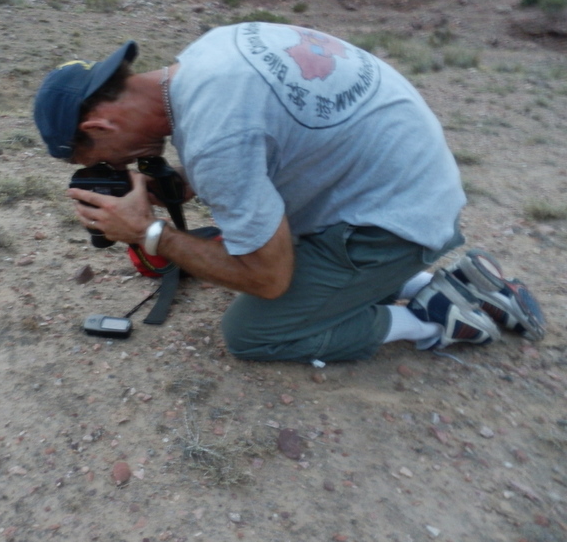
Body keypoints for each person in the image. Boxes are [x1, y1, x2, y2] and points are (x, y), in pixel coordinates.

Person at [32, 22, 546, 363]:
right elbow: (267, 139)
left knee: (253, 333)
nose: (117, 165)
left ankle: (429, 320)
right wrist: (180, 185)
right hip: (411, 186)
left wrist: (148, 233)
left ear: (100, 123)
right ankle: (435, 281)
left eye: (102, 158)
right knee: (250, 246)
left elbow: (269, 278)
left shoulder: (215, 138)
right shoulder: (206, 55)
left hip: (398, 220)